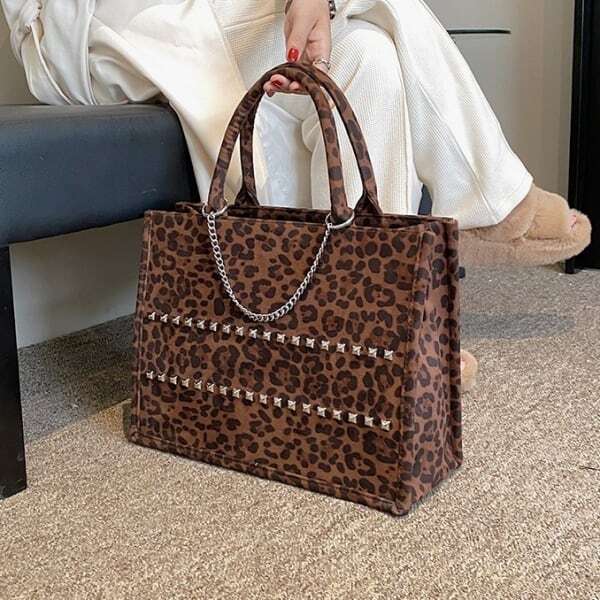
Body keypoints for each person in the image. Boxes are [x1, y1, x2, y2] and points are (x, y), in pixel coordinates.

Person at [2, 0, 591, 390]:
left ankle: (373, 325)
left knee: (369, 57)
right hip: (86, 29)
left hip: (194, 13)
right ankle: (491, 199)